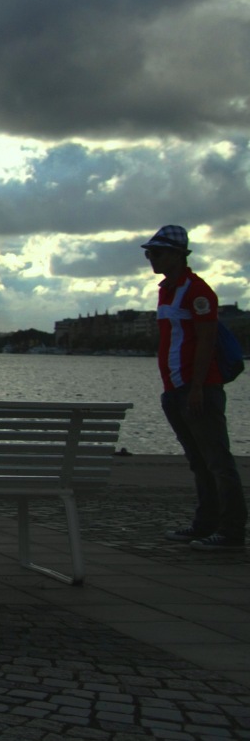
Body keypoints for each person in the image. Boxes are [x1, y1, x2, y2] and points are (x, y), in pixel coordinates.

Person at [144, 224, 245, 551]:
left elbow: (206, 340)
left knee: (218, 462)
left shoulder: (198, 292)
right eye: (149, 253)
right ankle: (206, 524)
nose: (151, 258)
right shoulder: (166, 290)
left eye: (157, 253)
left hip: (197, 389)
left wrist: (198, 387)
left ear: (178, 255)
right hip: (174, 390)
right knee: (199, 461)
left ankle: (231, 532)